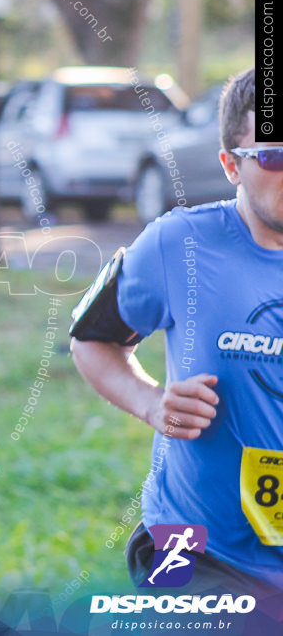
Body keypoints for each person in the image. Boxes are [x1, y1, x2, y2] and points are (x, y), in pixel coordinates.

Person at [70, 67, 283, 611]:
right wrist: (150, 403)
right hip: (192, 547)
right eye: (273, 156)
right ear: (230, 166)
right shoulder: (178, 242)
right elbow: (91, 338)